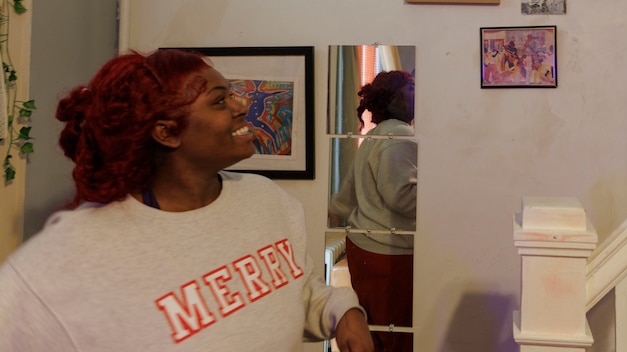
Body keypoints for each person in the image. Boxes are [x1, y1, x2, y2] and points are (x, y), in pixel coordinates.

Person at [0, 49, 374, 352]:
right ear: (166, 132)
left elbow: (291, 290)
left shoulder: (266, 200)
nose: (242, 105)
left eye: (232, 93)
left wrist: (342, 310)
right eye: (219, 100)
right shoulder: (60, 266)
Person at [329, 70, 417, 352]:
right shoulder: (401, 135)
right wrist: (442, 195)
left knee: (376, 334)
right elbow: (402, 198)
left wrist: (334, 209)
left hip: (363, 247)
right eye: (411, 89)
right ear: (393, 99)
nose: (417, 95)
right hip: (389, 253)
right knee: (396, 339)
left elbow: (348, 191)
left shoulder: (373, 136)